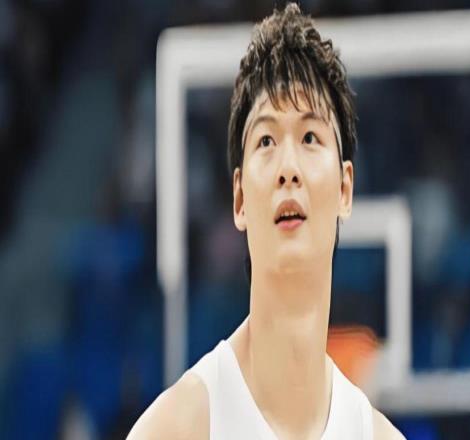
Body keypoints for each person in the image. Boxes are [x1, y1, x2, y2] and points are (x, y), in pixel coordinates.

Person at [128, 3, 404, 439]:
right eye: (266, 140)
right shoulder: (175, 428)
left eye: (310, 137)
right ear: (239, 198)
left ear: (345, 189)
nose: (287, 168)